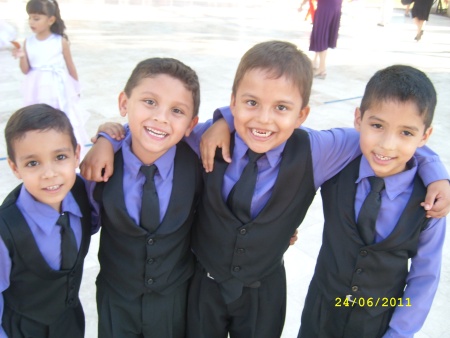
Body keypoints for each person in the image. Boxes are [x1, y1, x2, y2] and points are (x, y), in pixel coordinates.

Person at [82, 41, 450, 338]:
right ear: (233, 102)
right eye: (251, 104)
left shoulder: (318, 151)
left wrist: (437, 173)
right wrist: (105, 136)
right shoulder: (201, 140)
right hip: (201, 288)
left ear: (302, 115)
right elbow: (151, 135)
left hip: (264, 293)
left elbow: (388, 140)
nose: (263, 119)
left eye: (282, 108)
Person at [298, 65, 446, 338]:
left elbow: (425, 276)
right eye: (377, 126)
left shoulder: (431, 201)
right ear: (358, 119)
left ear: (424, 136)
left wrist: (399, 333)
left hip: (378, 323)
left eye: (406, 133)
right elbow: (284, 139)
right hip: (320, 312)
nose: (387, 145)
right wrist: (224, 120)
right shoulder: (337, 163)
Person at [85, 57, 202, 338]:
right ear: (124, 103)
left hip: (174, 301)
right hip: (116, 300)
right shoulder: (99, 167)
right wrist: (106, 137)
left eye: (177, 110)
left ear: (191, 124)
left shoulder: (199, 162)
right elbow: (80, 224)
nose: (161, 117)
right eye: (149, 102)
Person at [0, 104, 92, 338]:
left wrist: (106, 139)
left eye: (60, 157)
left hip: (70, 325)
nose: (49, 173)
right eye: (33, 163)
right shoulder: (5, 230)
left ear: (76, 155)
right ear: (14, 167)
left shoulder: (83, 194)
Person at [12, 0, 89, 157]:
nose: (31, 22)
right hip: (36, 87)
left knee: (61, 115)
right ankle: (40, 149)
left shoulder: (59, 41)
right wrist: (21, 57)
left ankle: (65, 148)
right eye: (30, 18)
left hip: (56, 86)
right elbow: (26, 70)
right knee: (38, 118)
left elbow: (70, 66)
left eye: (36, 18)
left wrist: (75, 88)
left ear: (51, 20)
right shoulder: (28, 42)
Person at [309, 0, 343, 79]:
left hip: (325, 7)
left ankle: (322, 68)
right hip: (335, 6)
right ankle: (315, 61)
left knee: (320, 36)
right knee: (322, 35)